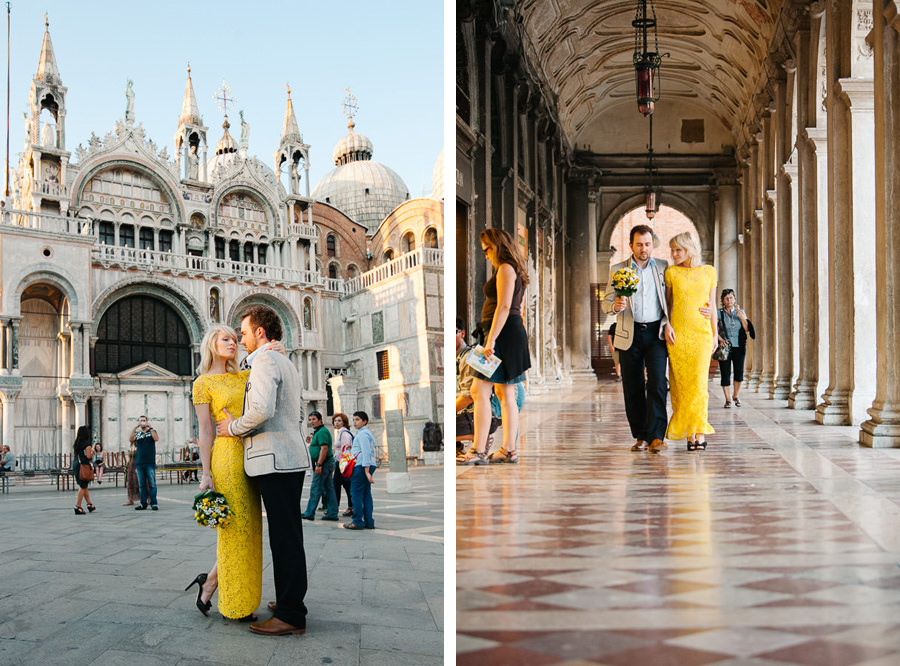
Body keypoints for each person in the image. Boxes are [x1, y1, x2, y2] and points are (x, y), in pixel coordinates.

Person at [217, 305, 311, 636]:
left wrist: (233, 427)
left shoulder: (267, 360)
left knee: (284, 539)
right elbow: (298, 412)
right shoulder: (283, 360)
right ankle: (290, 601)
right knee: (289, 535)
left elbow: (261, 409)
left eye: (243, 332)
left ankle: (291, 614)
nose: (241, 339)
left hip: (274, 460)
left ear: (260, 332)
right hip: (287, 457)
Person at [188, 324, 263, 623]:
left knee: (250, 528)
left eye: (235, 339)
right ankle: (234, 604)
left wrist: (274, 349)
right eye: (226, 339)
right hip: (227, 459)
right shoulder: (202, 383)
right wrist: (206, 472)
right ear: (211, 344)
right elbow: (205, 430)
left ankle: (210, 583)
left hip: (251, 455)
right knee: (234, 528)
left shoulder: (245, 376)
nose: (233, 343)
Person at [457, 228, 530, 465]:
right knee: (504, 392)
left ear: (497, 246)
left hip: (502, 334)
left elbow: (505, 307)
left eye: (487, 249)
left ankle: (478, 450)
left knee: (480, 391)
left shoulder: (506, 268)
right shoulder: (511, 268)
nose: (486, 255)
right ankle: (508, 449)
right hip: (507, 333)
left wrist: (490, 341)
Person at [602, 224, 671, 453]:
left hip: (656, 334)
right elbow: (605, 303)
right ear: (630, 245)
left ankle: (657, 436)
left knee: (658, 383)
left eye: (648, 244)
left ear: (653, 245)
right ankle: (641, 435)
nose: (644, 248)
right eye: (639, 244)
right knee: (632, 387)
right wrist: (615, 305)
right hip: (628, 333)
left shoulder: (662, 267)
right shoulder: (618, 269)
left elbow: (671, 301)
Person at [664, 232, 718, 451]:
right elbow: (667, 305)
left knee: (699, 385)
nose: (674, 254)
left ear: (689, 249)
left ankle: (700, 432)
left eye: (678, 250)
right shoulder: (671, 273)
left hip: (701, 336)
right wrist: (666, 325)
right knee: (681, 386)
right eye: (672, 250)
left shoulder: (708, 272)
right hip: (678, 337)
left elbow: (712, 305)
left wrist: (715, 334)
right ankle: (689, 433)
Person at [717, 289, 752, 408]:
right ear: (723, 300)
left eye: (731, 297)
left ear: (734, 299)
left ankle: (735, 396)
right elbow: (712, 329)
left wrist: (742, 317)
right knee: (725, 373)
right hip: (725, 347)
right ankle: (727, 400)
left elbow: (747, 329)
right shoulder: (719, 313)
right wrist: (720, 340)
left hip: (739, 346)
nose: (729, 300)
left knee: (739, 372)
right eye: (726, 298)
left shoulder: (740, 311)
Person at [301, 411, 338, 521]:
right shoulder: (319, 431)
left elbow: (324, 448)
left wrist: (319, 464)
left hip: (324, 464)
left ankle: (309, 512)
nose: (311, 422)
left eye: (314, 419)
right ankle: (332, 513)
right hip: (326, 463)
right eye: (310, 419)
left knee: (316, 488)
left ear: (320, 420)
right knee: (329, 489)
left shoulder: (322, 432)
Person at [344, 411, 377, 530]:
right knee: (365, 494)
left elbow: (366, 451)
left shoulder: (363, 434)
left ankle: (357, 520)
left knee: (356, 493)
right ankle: (368, 521)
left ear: (365, 421)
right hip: (366, 464)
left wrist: (366, 470)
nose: (354, 422)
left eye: (358, 419)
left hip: (362, 465)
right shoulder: (364, 433)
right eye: (353, 420)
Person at [130, 415, 159, 510]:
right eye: (141, 421)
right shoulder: (137, 434)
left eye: (144, 420)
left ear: (146, 421)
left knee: (152, 484)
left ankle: (154, 503)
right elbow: (131, 439)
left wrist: (150, 427)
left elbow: (156, 438)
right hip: (139, 462)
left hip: (150, 461)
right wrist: (135, 427)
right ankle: (143, 503)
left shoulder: (152, 432)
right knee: (141, 484)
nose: (142, 422)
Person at [332, 413, 354, 517]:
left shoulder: (345, 433)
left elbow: (346, 449)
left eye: (339, 421)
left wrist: (342, 464)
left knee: (338, 485)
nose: (336, 422)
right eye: (335, 421)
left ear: (344, 422)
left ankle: (335, 508)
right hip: (339, 462)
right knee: (345, 485)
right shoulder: (340, 433)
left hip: (342, 463)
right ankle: (350, 506)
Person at [72, 426, 96, 515]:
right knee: (83, 486)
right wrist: (93, 452)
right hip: (83, 466)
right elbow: (89, 456)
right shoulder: (87, 443)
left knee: (84, 485)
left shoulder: (77, 443)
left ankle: (90, 504)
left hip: (76, 464)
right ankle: (78, 506)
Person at [123, 442, 139, 506]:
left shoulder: (139, 446)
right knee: (130, 483)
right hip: (131, 466)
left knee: (139, 483)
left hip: (137, 466)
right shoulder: (131, 447)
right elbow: (129, 458)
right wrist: (127, 466)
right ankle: (130, 499)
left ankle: (148, 498)